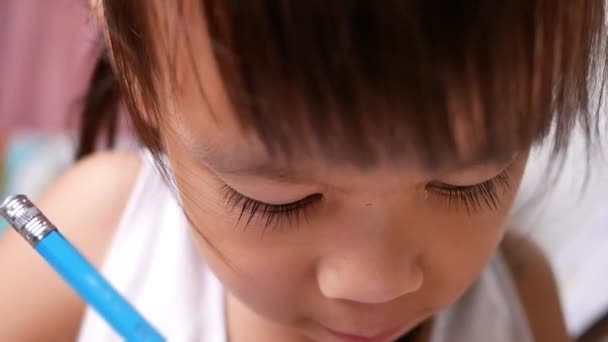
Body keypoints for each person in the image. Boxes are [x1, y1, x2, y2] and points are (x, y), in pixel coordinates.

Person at [0, 1, 604, 341]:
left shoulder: (522, 303)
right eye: (276, 200)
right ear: (136, 67)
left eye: (470, 183)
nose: (374, 282)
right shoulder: (101, 235)